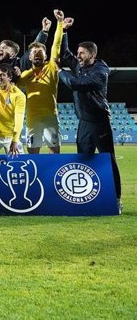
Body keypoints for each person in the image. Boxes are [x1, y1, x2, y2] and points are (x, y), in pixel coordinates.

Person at [59, 39, 122, 211]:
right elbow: (65, 54)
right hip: (84, 122)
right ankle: (85, 199)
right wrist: (63, 30)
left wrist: (59, 71)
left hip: (100, 121)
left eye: (82, 53)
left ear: (92, 55)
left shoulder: (101, 71)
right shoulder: (80, 66)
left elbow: (77, 84)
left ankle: (116, 199)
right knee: (83, 160)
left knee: (108, 161)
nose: (78, 56)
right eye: (78, 52)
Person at [16, 10, 65, 154]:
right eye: (34, 53)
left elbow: (56, 44)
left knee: (54, 151)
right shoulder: (25, 75)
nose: (37, 54)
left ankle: (53, 175)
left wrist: (60, 23)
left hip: (51, 116)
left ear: (46, 56)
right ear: (29, 58)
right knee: (32, 152)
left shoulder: (51, 67)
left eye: (40, 52)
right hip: (32, 118)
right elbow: (15, 90)